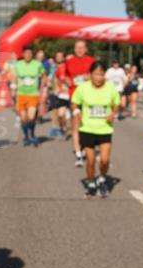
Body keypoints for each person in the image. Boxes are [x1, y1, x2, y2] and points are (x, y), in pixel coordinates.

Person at [71, 61, 120, 198]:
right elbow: (74, 103)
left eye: (101, 75)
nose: (99, 78)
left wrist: (113, 113)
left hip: (105, 129)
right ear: (90, 75)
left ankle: (102, 179)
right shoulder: (82, 88)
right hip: (87, 128)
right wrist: (76, 112)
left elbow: (117, 103)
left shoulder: (110, 88)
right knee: (91, 161)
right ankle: (91, 182)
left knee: (104, 160)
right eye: (96, 74)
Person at [64, 40, 96, 166]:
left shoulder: (91, 61)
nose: (79, 50)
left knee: (88, 126)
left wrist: (87, 77)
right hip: (75, 97)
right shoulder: (69, 61)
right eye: (77, 47)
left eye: (82, 47)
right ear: (74, 49)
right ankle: (78, 155)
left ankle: (83, 148)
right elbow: (66, 75)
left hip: (90, 98)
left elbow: (98, 76)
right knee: (76, 125)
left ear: (86, 49)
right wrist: (68, 81)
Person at [11, 45, 45, 146]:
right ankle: (26, 136)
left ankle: (32, 134)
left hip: (33, 94)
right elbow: (14, 77)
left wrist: (41, 89)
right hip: (21, 94)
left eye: (30, 54)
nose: (28, 55)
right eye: (26, 53)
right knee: (23, 118)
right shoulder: (18, 65)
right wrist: (13, 88)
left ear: (32, 55)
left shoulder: (37, 64)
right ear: (23, 54)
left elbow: (44, 76)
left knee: (31, 117)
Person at [47, 51, 70, 138]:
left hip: (64, 92)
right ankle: (54, 127)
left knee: (62, 112)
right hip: (53, 90)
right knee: (53, 109)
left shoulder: (66, 66)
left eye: (61, 56)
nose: (59, 57)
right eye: (57, 56)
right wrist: (49, 84)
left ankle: (62, 127)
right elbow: (49, 77)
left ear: (63, 57)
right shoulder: (52, 66)